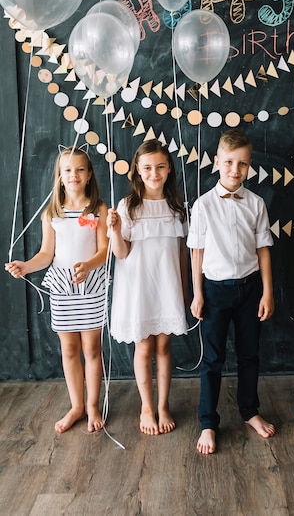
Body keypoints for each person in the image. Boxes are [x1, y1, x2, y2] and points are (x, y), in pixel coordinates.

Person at [5, 145, 109, 434]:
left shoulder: (99, 209)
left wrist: (88, 265)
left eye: (80, 169)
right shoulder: (52, 212)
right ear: (60, 177)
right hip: (62, 286)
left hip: (91, 285)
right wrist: (25, 266)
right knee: (69, 349)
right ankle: (76, 405)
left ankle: (92, 405)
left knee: (92, 348)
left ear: (89, 175)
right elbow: (46, 254)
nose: (73, 175)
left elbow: (105, 250)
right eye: (67, 170)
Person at [187, 129, 276, 455]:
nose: (234, 169)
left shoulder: (256, 203)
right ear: (217, 162)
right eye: (228, 162)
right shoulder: (203, 205)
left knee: (250, 354)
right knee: (213, 359)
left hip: (250, 288)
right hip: (214, 290)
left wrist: (268, 292)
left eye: (241, 164)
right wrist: (197, 294)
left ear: (249, 166)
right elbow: (196, 252)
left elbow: (264, 249)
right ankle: (208, 422)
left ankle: (249, 411)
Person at [107, 139, 188, 436]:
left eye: (160, 167)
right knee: (144, 347)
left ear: (168, 170)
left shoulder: (177, 207)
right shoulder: (128, 206)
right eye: (148, 168)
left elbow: (181, 251)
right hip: (139, 286)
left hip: (167, 285)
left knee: (164, 345)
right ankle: (146, 406)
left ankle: (164, 404)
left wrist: (185, 290)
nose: (154, 173)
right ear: (137, 171)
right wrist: (115, 230)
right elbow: (121, 253)